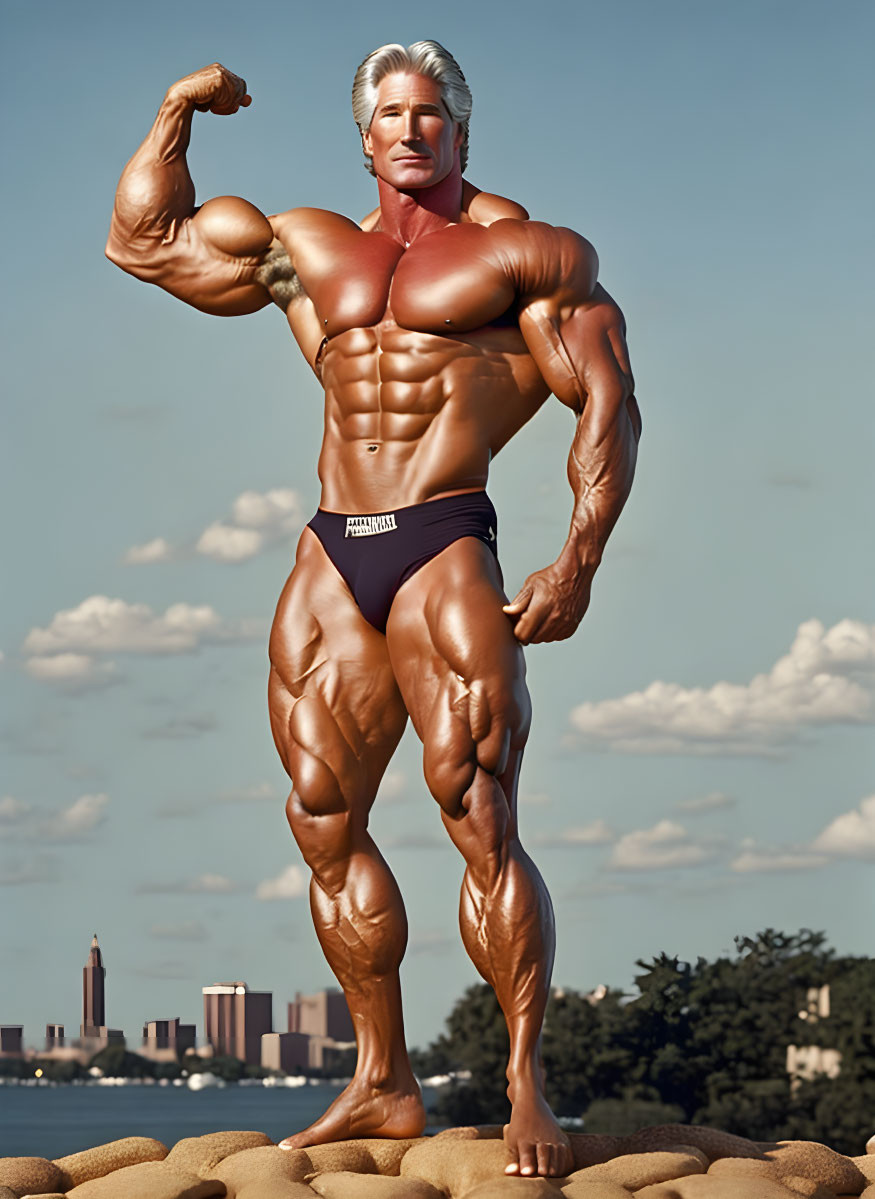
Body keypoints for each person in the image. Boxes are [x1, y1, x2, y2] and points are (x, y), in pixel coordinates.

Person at [106, 41, 641, 1178]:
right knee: (319, 815)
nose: (410, 130)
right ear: (362, 134)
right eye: (390, 114)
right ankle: (381, 1078)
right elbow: (142, 242)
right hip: (330, 546)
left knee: (477, 807)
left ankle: (522, 1085)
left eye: (430, 114)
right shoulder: (309, 247)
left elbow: (605, 396)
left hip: (443, 533)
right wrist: (174, 112)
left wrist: (579, 557)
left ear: (461, 128)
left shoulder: (520, 251)